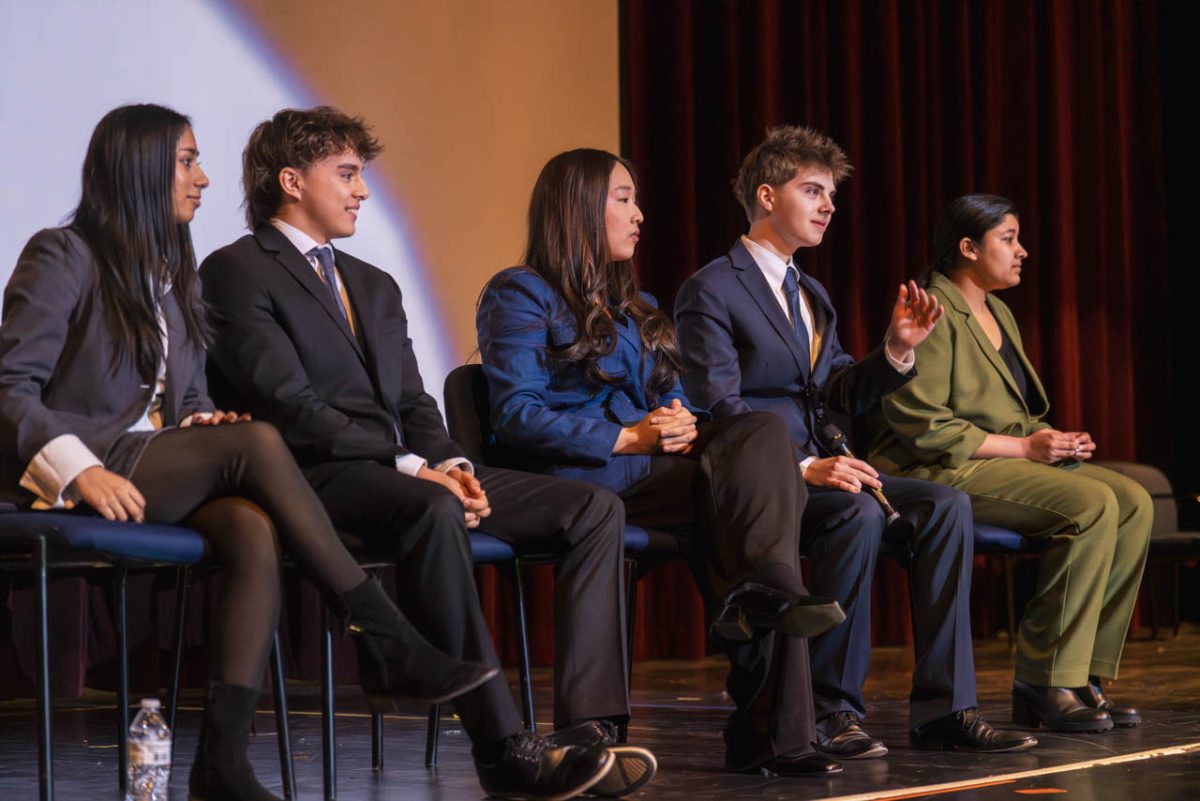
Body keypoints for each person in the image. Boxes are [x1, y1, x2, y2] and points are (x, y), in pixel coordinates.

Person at [0, 104, 502, 801]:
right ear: (137, 165)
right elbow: (11, 388)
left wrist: (207, 418)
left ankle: (222, 765)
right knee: (260, 440)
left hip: (152, 464)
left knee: (252, 528)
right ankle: (382, 632)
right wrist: (78, 468)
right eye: (186, 161)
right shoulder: (62, 254)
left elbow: (186, 401)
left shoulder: (170, 277)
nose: (203, 179)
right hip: (86, 468)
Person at [199, 107, 647, 798]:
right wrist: (415, 467)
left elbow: (414, 404)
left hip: (407, 470)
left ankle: (590, 732)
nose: (362, 191)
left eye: (361, 175)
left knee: (592, 506)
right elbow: (289, 406)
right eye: (346, 174)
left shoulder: (373, 283)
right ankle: (503, 748)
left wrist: (455, 464)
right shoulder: (236, 271)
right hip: (307, 474)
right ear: (291, 181)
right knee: (430, 506)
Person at [477, 147, 849, 777]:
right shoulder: (520, 293)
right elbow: (516, 414)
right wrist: (628, 437)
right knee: (752, 514)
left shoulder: (636, 306)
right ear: (576, 207)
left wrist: (679, 421)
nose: (639, 213)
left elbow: (670, 400)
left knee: (758, 441)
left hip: (647, 476)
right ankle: (605, 731)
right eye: (623, 199)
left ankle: (776, 710)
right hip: (574, 477)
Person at [674, 126, 1035, 754]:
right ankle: (830, 710)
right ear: (765, 196)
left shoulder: (809, 291)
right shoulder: (712, 288)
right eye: (811, 190)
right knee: (856, 512)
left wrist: (896, 350)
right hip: (763, 481)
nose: (827, 206)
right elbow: (720, 408)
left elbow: (838, 392)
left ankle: (945, 710)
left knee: (945, 506)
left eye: (831, 195)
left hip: (826, 464)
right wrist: (802, 465)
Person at [870, 193, 1152, 732]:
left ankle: (1083, 676)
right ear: (968, 248)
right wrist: (1026, 449)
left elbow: (1010, 414)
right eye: (1008, 240)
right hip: (933, 468)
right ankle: (1044, 679)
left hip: (994, 457)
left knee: (1133, 502)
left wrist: (1047, 436)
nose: (1021, 251)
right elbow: (922, 424)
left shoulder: (997, 310)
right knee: (1091, 504)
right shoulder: (934, 306)